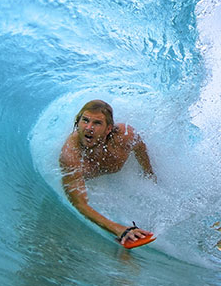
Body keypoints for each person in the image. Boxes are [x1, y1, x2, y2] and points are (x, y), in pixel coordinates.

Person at [59, 99, 155, 246]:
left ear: (108, 128)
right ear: (77, 122)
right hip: (89, 182)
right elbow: (79, 203)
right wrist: (119, 229)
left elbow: (140, 148)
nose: (89, 128)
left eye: (97, 123)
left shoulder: (125, 135)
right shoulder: (71, 155)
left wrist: (148, 173)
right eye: (85, 120)